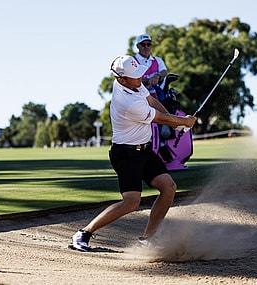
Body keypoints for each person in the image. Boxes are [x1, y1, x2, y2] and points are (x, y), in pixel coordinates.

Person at [70, 55, 196, 252]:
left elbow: (153, 101)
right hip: (126, 155)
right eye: (135, 76)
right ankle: (84, 233)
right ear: (121, 79)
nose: (141, 79)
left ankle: (147, 239)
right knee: (131, 202)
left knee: (169, 187)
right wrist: (183, 122)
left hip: (144, 150)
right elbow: (160, 118)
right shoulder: (127, 102)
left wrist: (176, 123)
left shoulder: (134, 84)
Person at [134, 34, 168, 98]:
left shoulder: (158, 60)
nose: (146, 47)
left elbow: (164, 71)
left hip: (157, 96)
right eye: (143, 44)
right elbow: (131, 81)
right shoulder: (133, 61)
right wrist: (148, 81)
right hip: (139, 98)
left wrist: (157, 76)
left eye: (148, 44)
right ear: (137, 46)